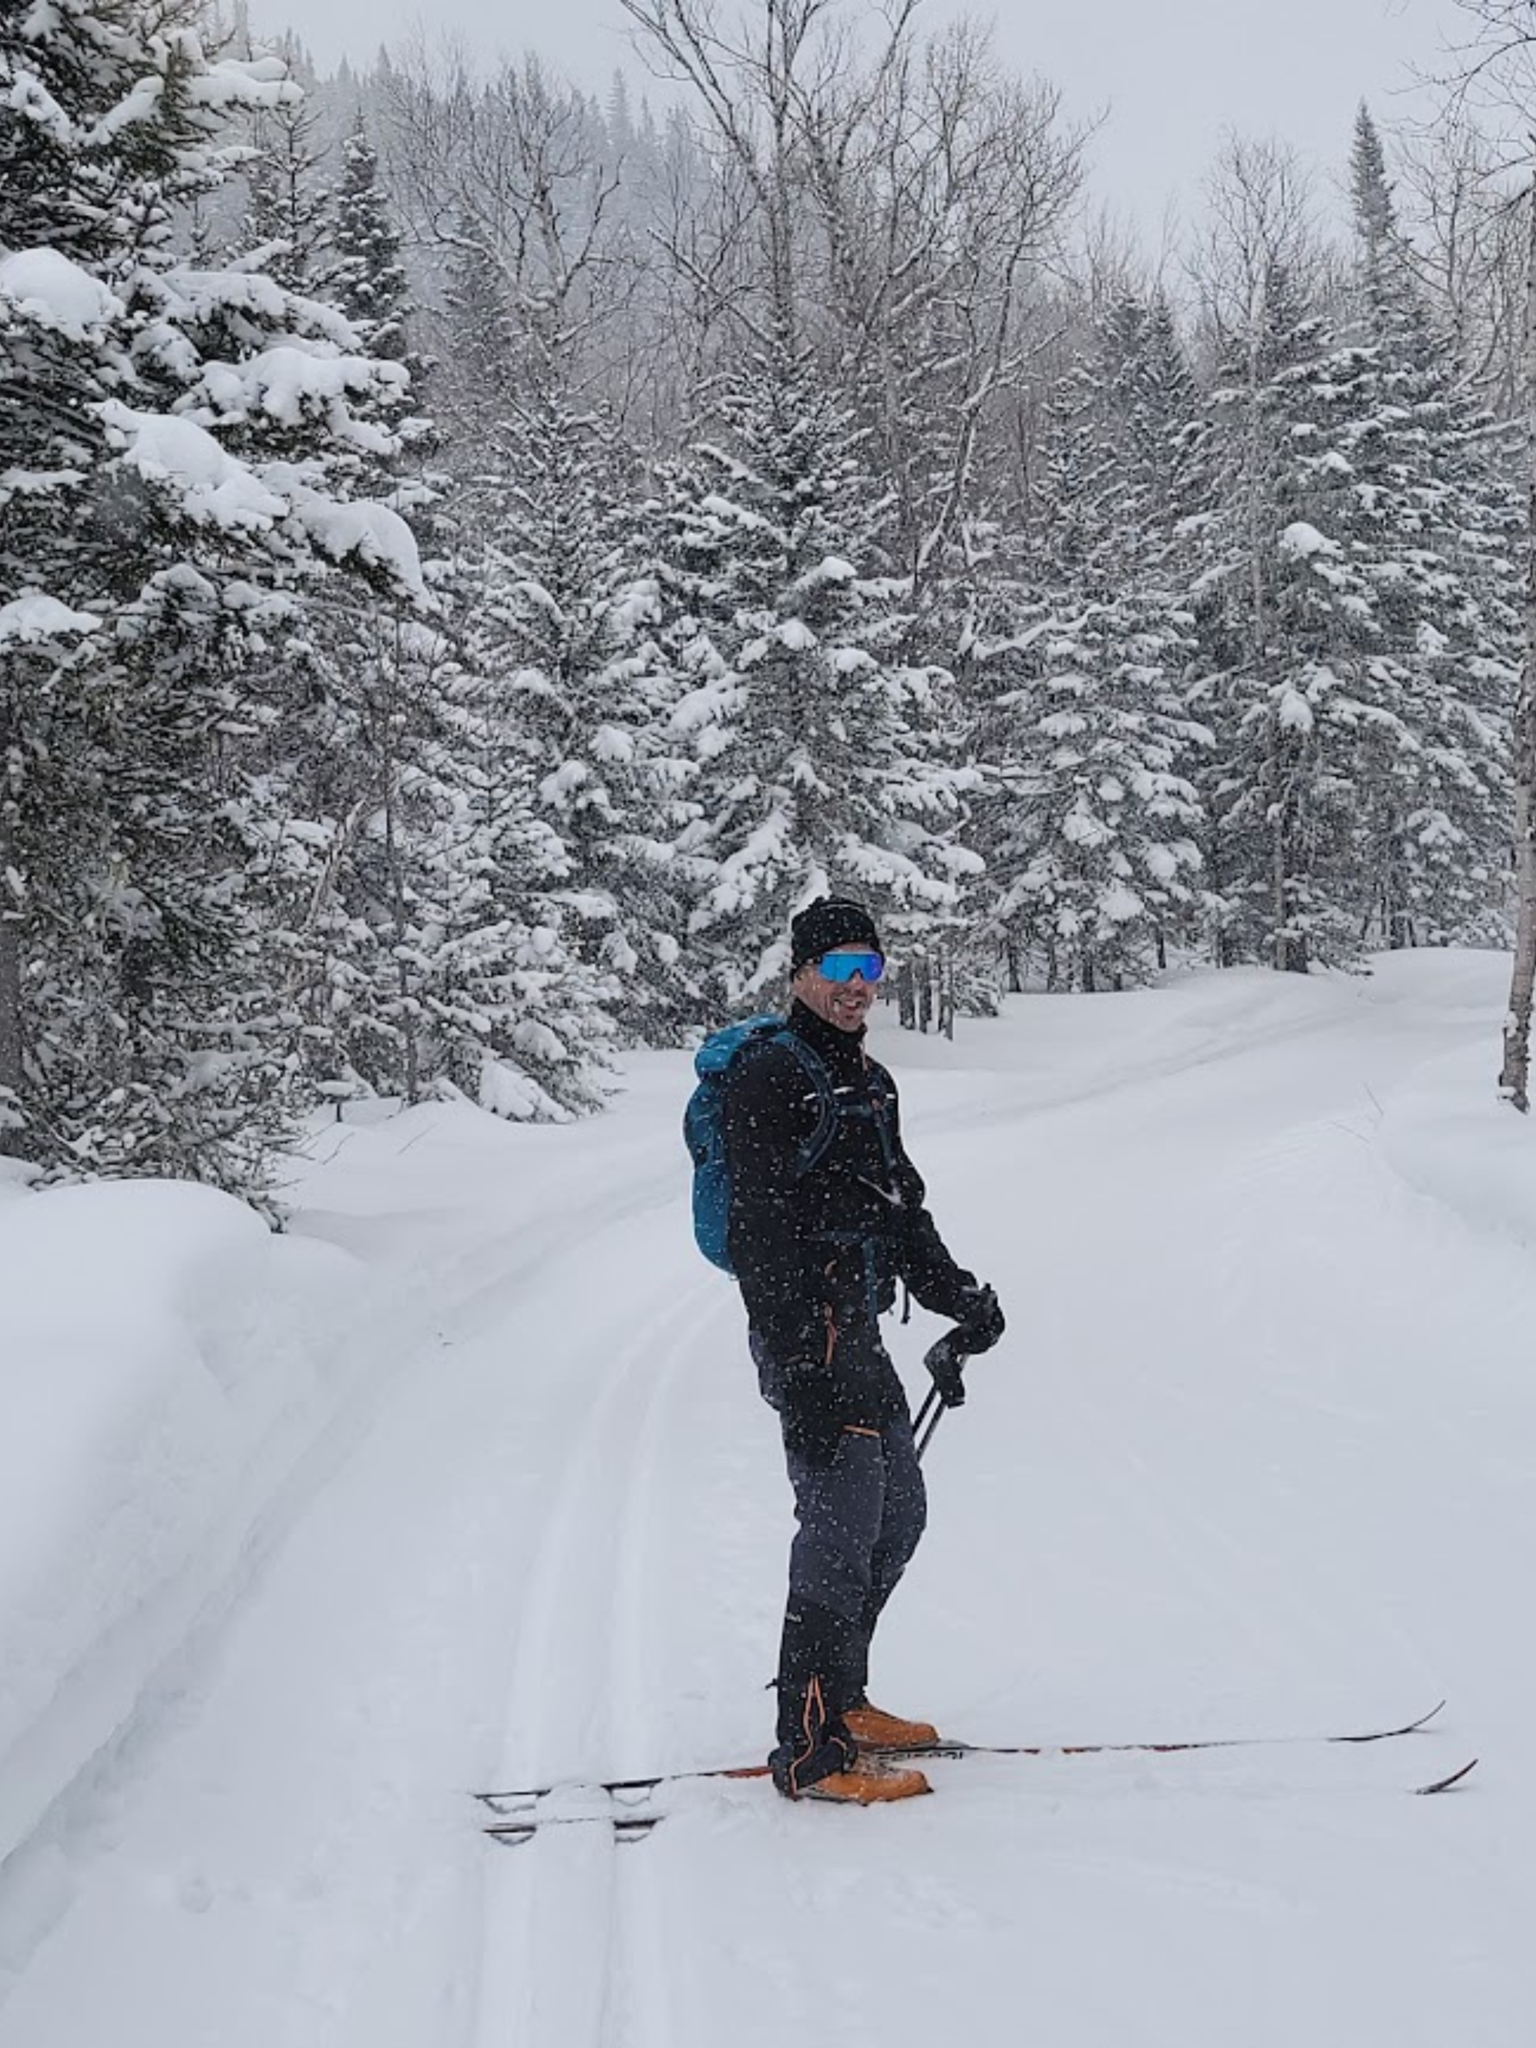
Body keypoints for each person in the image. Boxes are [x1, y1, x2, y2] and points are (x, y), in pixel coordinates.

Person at [721, 897, 1004, 1805]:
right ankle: (806, 1749)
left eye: (869, 971)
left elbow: (900, 1212)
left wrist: (960, 1299)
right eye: (838, 971)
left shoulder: (871, 1084)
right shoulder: (768, 1076)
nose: (855, 990)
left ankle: (842, 1697)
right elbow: (755, 1235)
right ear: (800, 975)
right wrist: (797, 1367)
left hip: (860, 1323)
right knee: (839, 1536)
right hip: (806, 1333)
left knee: (899, 1515)